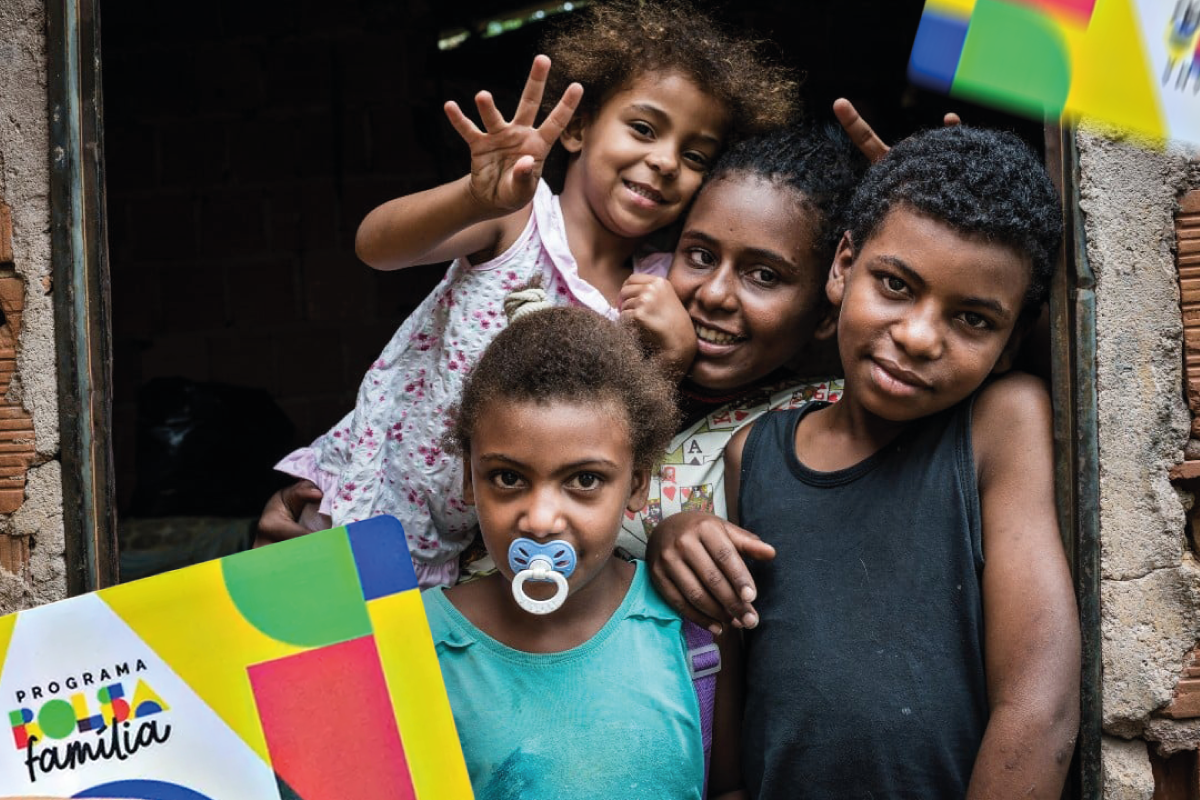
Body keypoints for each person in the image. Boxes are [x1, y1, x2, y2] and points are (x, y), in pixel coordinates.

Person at [258, 0, 797, 590]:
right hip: (356, 499)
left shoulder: (658, 291)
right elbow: (375, 247)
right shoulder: (516, 220)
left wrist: (673, 354)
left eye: (695, 156)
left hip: (469, 558)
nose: (665, 160)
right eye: (643, 128)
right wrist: (473, 198)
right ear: (577, 126)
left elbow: (627, 440)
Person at [656, 126, 1081, 798]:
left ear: (1010, 343)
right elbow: (740, 699)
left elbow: (1039, 710)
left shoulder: (1000, 424)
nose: (916, 336)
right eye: (894, 284)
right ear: (842, 267)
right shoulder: (755, 453)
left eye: (972, 319)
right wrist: (674, 535)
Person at [428, 303, 745, 799]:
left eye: (584, 480)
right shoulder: (410, 645)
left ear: (637, 486)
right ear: (470, 479)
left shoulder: (694, 628)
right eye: (507, 478)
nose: (540, 519)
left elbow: (728, 788)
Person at [615, 121, 867, 560]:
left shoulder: (828, 418)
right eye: (700, 256)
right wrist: (666, 365)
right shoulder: (610, 347)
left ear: (827, 312)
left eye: (764, 276)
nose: (713, 294)